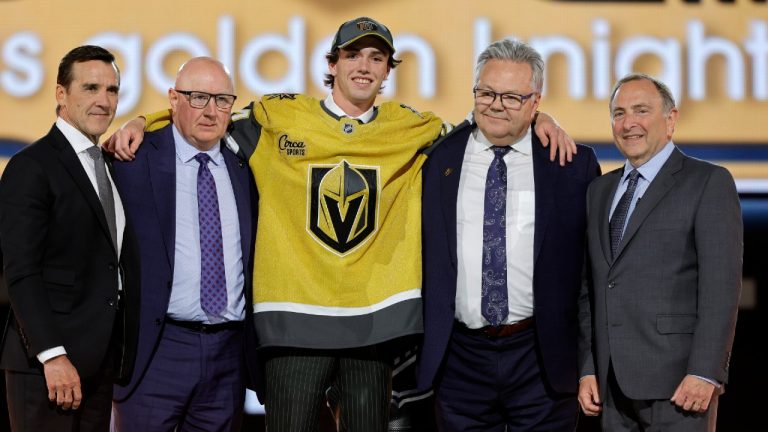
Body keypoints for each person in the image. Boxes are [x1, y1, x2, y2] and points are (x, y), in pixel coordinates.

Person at [106, 17, 575, 431]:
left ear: (389, 70)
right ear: (332, 63)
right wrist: (148, 120)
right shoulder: (278, 116)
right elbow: (207, 115)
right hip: (293, 325)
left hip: (374, 328)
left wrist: (540, 118)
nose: (364, 66)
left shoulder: (413, 128)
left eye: (377, 57)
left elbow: (489, 125)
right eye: (353, 54)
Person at [417, 39, 600, 431]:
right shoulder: (437, 160)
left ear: (536, 102)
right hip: (459, 359)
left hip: (542, 358)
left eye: (513, 97)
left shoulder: (571, 165)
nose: (496, 104)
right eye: (487, 92)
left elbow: (591, 278)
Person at [577, 73, 742, 431]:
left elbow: (721, 289)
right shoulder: (599, 191)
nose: (628, 123)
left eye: (641, 110)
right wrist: (588, 366)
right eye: (618, 113)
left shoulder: (708, 182)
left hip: (680, 386)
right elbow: (590, 289)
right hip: (611, 386)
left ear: (671, 119)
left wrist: (705, 371)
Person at [110, 57, 259, 431]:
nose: (211, 111)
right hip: (157, 349)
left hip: (228, 354)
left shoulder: (248, 167)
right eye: (198, 98)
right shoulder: (133, 158)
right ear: (173, 99)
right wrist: (139, 121)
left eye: (222, 100)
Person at [0, 45, 140, 431]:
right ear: (61, 95)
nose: (104, 101)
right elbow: (22, 272)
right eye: (91, 88)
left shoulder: (109, 164)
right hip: (48, 367)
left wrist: (142, 120)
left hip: (99, 364)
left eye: (112, 90)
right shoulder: (32, 166)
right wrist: (53, 356)